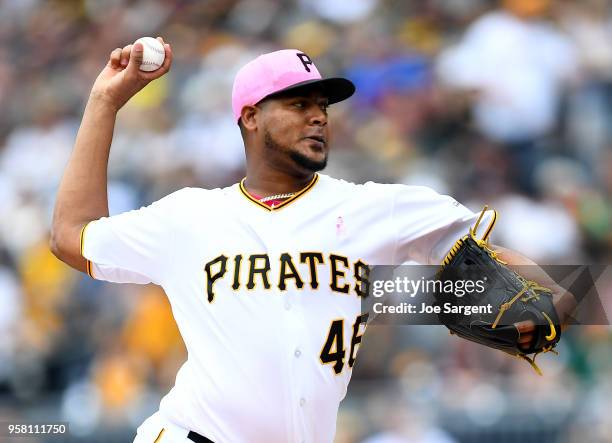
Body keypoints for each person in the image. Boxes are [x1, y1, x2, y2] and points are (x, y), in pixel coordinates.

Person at [51, 38, 573, 443]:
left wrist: (558, 298)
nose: (318, 115)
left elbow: (519, 275)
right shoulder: (190, 216)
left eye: (322, 104)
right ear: (250, 118)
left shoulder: (378, 209)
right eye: (297, 104)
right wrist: (103, 102)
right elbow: (70, 237)